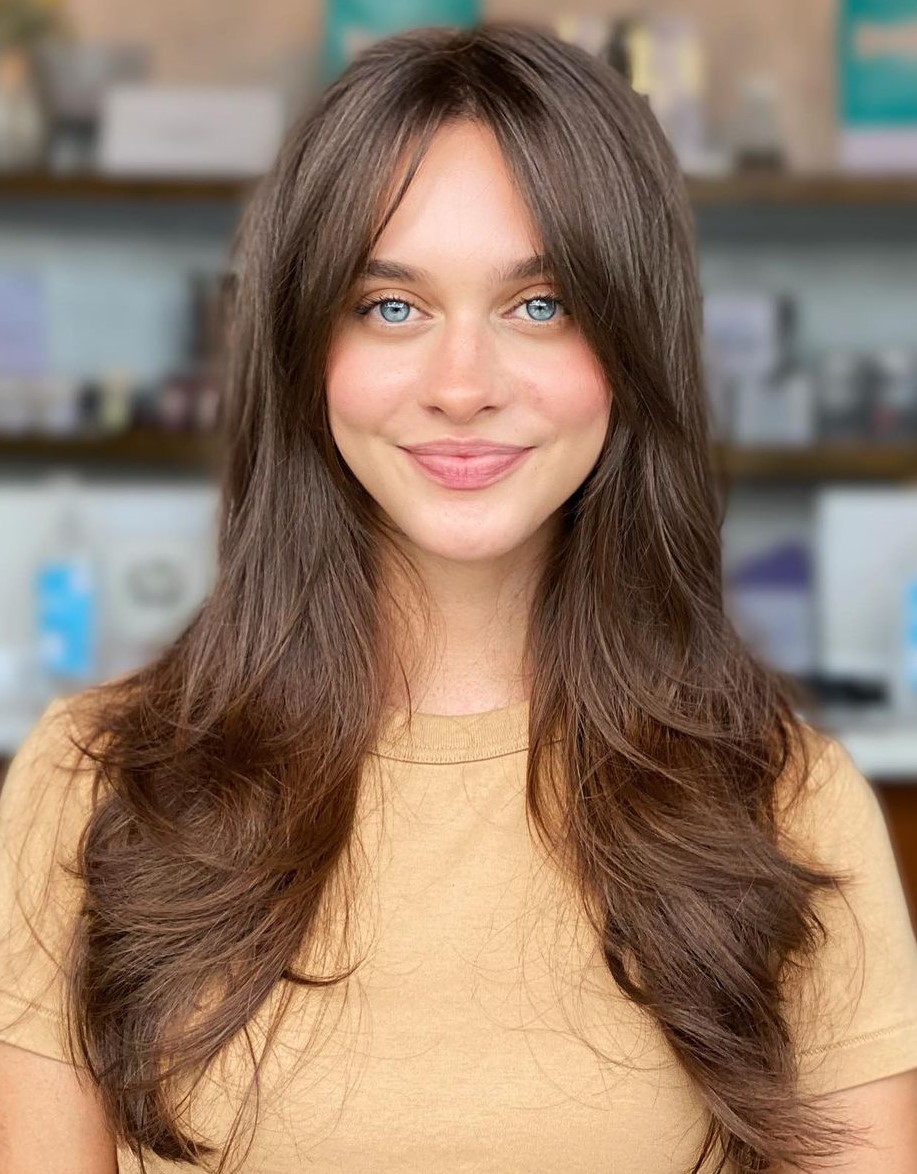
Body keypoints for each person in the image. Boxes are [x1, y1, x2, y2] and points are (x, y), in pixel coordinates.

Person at [2, 20, 917, 1174]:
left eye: (539, 305)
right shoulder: (94, 778)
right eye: (391, 306)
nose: (461, 386)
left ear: (632, 343)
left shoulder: (785, 803)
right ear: (301, 351)